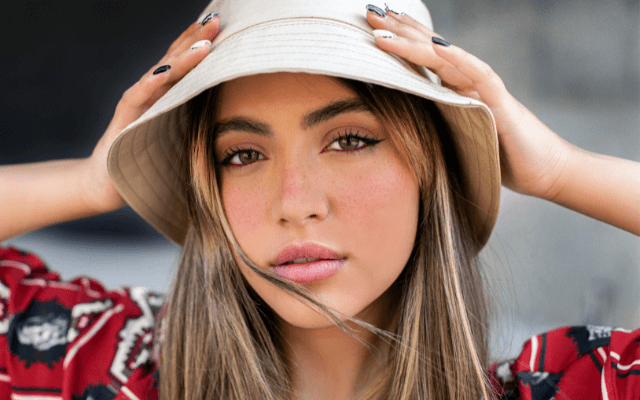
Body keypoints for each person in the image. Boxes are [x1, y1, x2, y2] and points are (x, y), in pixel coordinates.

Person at [0, 0, 638, 399]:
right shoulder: (95, 362)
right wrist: (97, 181)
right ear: (207, 184)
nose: (294, 203)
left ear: (429, 167)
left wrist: (559, 169)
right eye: (242, 154)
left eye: (351, 140)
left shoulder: (578, 384)